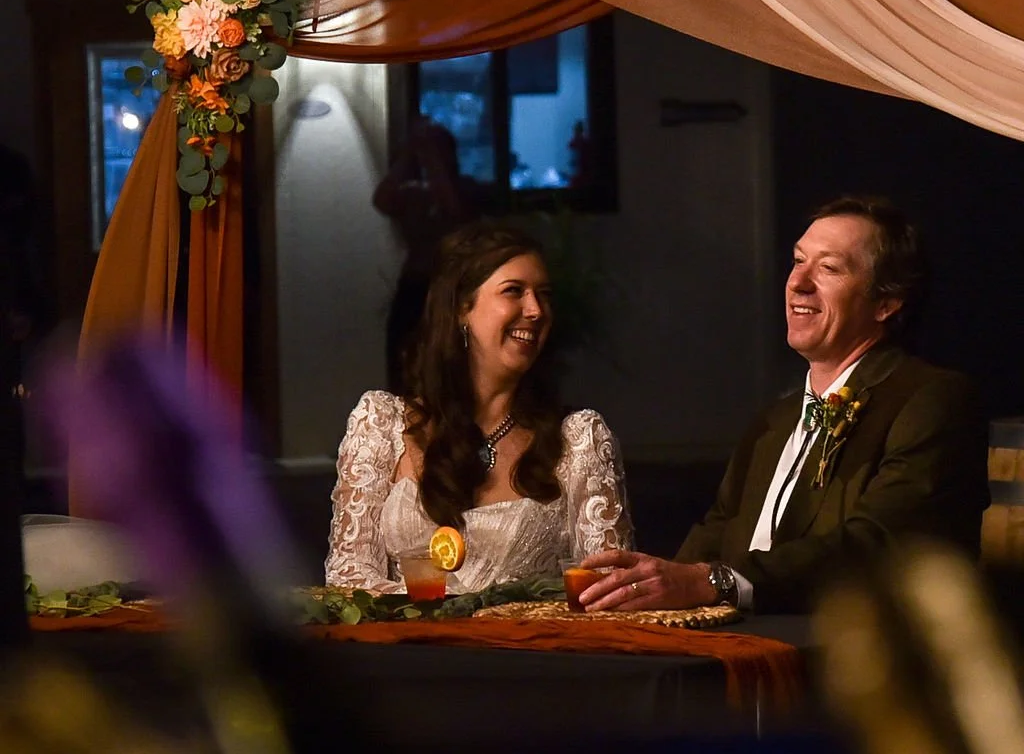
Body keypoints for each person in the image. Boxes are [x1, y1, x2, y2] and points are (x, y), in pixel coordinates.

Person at [577, 196, 989, 615]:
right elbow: (713, 536)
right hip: (738, 654)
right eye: (797, 261)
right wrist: (643, 591)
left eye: (828, 268)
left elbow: (878, 543)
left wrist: (716, 583)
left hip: (846, 662)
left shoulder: (932, 399)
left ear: (886, 303)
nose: (798, 282)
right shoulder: (775, 421)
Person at [325, 223, 632, 592]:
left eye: (544, 295)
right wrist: (450, 614)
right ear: (461, 309)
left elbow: (609, 590)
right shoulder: (381, 423)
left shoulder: (579, 439)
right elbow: (348, 579)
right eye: (514, 291)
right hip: (407, 649)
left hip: (528, 649)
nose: (535, 310)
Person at [373, 117, 483, 393]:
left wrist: (432, 158)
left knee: (450, 367)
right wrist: (410, 153)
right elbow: (382, 199)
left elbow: (453, 210)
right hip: (414, 286)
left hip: (452, 288)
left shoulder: (467, 188)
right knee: (403, 363)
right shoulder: (415, 194)